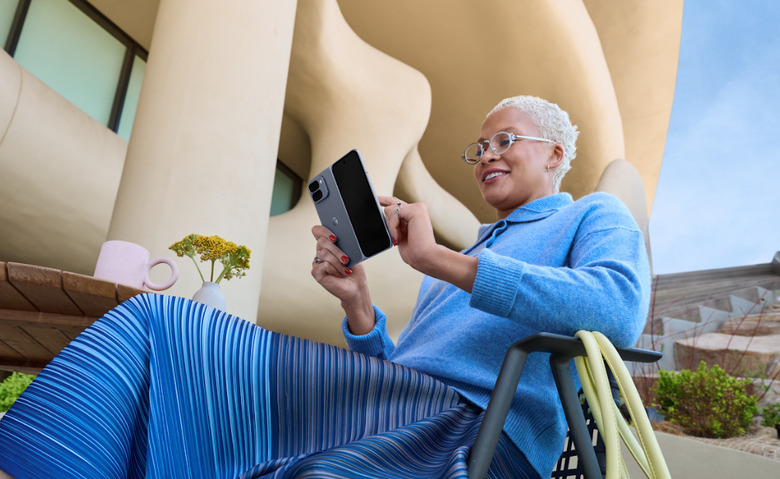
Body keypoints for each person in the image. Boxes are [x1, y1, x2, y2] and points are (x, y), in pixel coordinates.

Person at [0, 96, 650, 479]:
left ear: (556, 154)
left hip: (476, 435)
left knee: (163, 328)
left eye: (504, 141)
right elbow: (399, 372)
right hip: (397, 411)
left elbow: (617, 309)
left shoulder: (592, 215)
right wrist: (358, 304)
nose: (486, 156)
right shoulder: (471, 251)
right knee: (156, 336)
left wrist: (437, 260)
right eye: (478, 147)